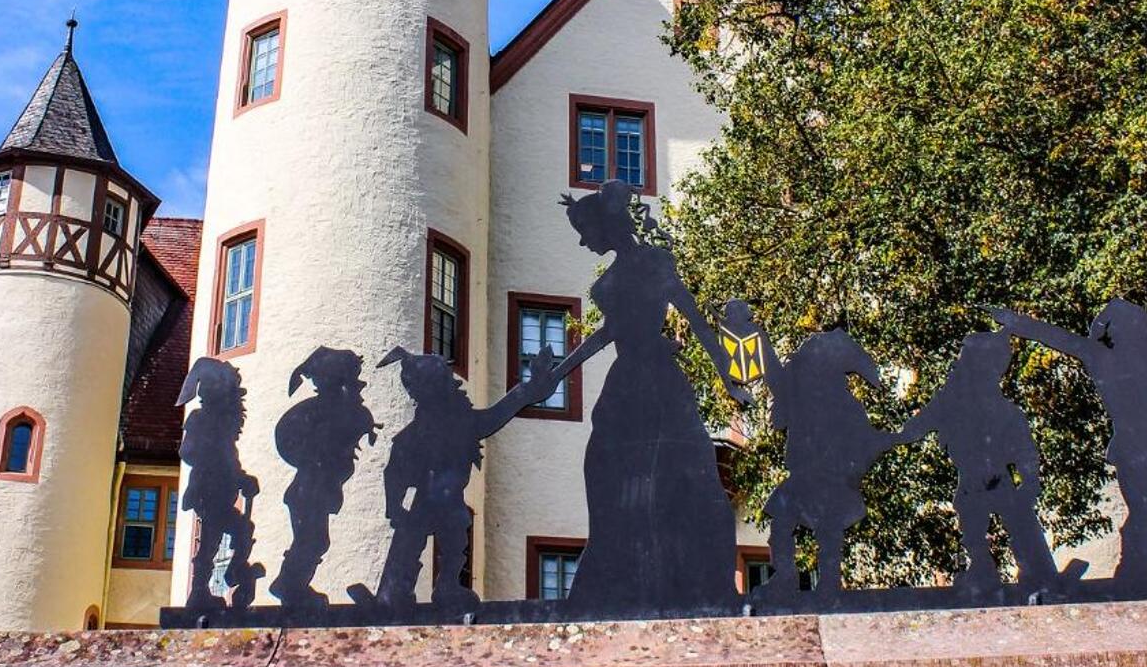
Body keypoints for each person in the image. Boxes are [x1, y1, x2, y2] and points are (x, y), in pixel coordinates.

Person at [542, 180, 747, 617]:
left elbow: (696, 321)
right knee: (607, 474)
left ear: (605, 226)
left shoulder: (654, 264)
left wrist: (729, 376)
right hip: (633, 385)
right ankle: (625, 575)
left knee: (684, 473)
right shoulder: (607, 285)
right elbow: (605, 336)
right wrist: (557, 374)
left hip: (652, 383)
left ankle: (691, 577)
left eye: (585, 232)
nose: (583, 242)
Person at [993, 300, 1147, 592]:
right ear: (1127, 332)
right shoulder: (1105, 360)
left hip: (1144, 443)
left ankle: (1140, 563)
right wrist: (1016, 322)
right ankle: (1136, 564)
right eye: (1144, 330)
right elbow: (1061, 338)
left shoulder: (1137, 368)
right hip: (1131, 444)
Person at [353, 343, 559, 614]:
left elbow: (394, 472)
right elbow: (395, 472)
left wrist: (531, 388)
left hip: (444, 500)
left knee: (440, 541)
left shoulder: (440, 427)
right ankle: (404, 592)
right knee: (422, 542)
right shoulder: (433, 430)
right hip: (433, 500)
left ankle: (422, 589)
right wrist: (394, 506)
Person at [899, 329, 1060, 601]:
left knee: (1016, 523)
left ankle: (1036, 575)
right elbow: (916, 427)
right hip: (974, 478)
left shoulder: (1000, 409)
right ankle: (987, 570)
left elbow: (1023, 448)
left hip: (996, 477)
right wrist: (886, 438)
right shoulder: (953, 402)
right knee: (974, 523)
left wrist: (1030, 479)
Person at [754, 325, 892, 601]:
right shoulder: (800, 398)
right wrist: (763, 341)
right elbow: (777, 380)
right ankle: (785, 577)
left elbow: (863, 442)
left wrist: (849, 470)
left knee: (828, 531)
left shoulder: (844, 406)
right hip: (803, 476)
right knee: (781, 522)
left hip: (831, 479)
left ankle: (829, 582)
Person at [270, 347, 377, 610]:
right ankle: (289, 585)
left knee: (313, 539)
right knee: (313, 539)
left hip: (312, 490)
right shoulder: (326, 412)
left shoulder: (329, 411)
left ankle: (291, 585)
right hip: (309, 491)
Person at [176, 356, 261, 615]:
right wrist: (211, 457)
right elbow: (187, 452)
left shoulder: (224, 426)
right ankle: (200, 590)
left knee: (239, 530)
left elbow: (230, 459)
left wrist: (242, 477)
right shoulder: (199, 420)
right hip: (208, 490)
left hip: (223, 490)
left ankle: (230, 574)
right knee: (211, 541)